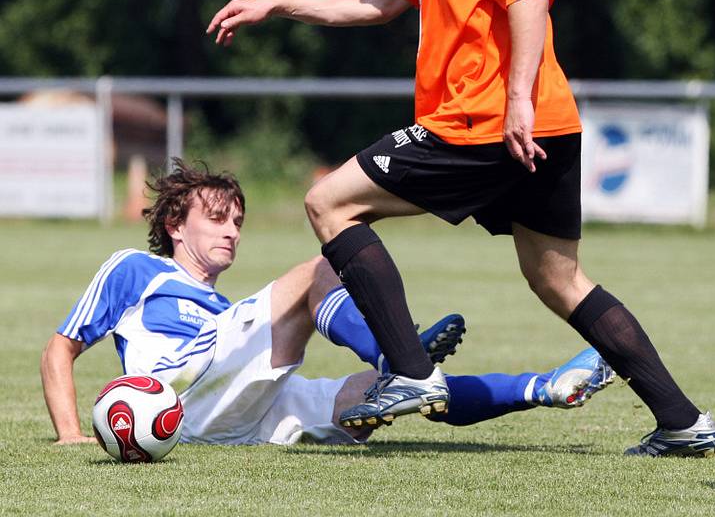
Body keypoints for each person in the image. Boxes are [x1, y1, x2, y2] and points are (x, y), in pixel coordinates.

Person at [205, 0, 715, 458]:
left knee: (328, 202)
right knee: (556, 277)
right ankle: (683, 422)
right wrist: (276, 1)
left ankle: (411, 373)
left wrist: (512, 101)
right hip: (545, 123)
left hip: (485, 119)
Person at [41, 160, 613, 448]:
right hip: (172, 389)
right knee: (319, 268)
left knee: (373, 399)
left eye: (239, 221)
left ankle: (543, 387)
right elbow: (58, 351)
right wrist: (70, 436)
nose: (233, 231)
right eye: (217, 219)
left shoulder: (224, 308)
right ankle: (401, 360)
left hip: (233, 419)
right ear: (174, 225)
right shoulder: (136, 270)